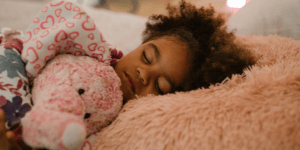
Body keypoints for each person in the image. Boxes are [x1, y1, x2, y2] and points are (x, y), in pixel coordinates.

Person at [0, 0, 254, 149]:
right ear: (140, 44)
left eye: (162, 85)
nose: (144, 74)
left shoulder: (118, 123)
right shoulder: (92, 50)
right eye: (146, 56)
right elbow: (35, 41)